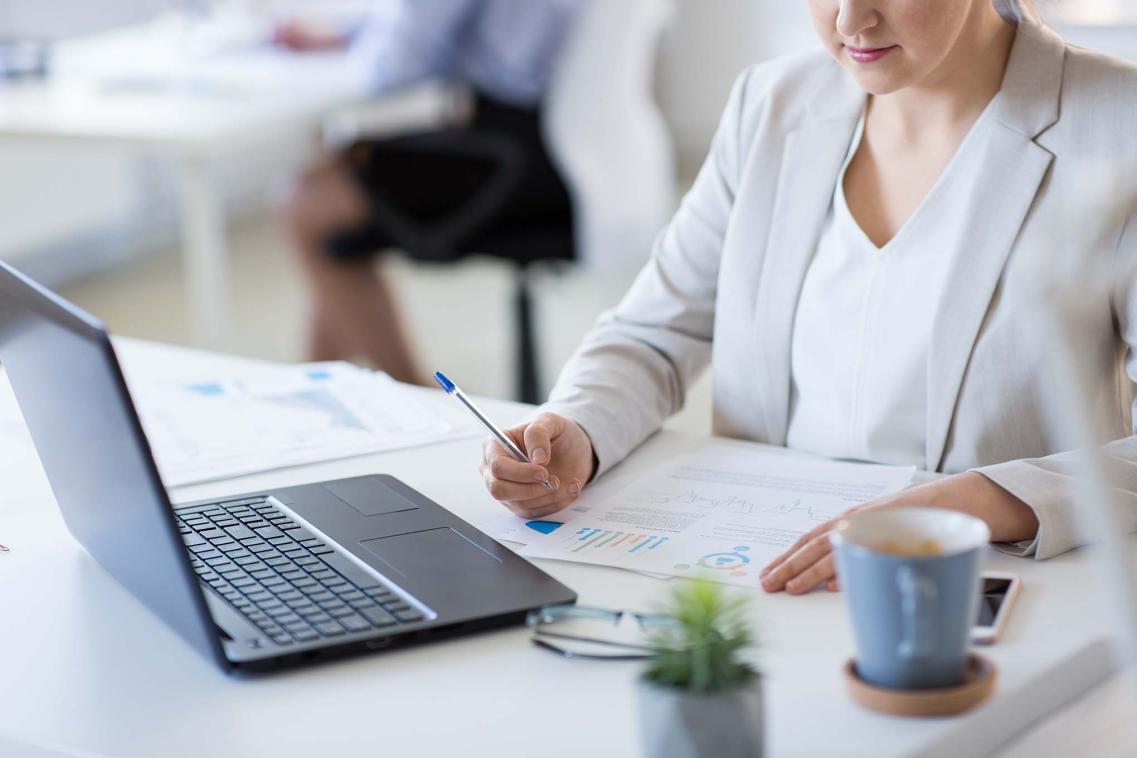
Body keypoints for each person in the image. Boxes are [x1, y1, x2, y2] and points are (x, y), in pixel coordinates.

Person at [479, 0, 1137, 594]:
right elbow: (655, 332)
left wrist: (971, 502)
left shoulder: (1116, 126)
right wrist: (578, 428)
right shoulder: (772, 105)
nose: (850, 20)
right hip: (769, 575)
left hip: (999, 585)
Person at [278, 0, 581, 385]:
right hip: (558, 147)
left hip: (507, 158)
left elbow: (398, 64)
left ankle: (420, 400)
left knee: (307, 202)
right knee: (333, 202)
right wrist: (350, 35)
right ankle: (315, 404)